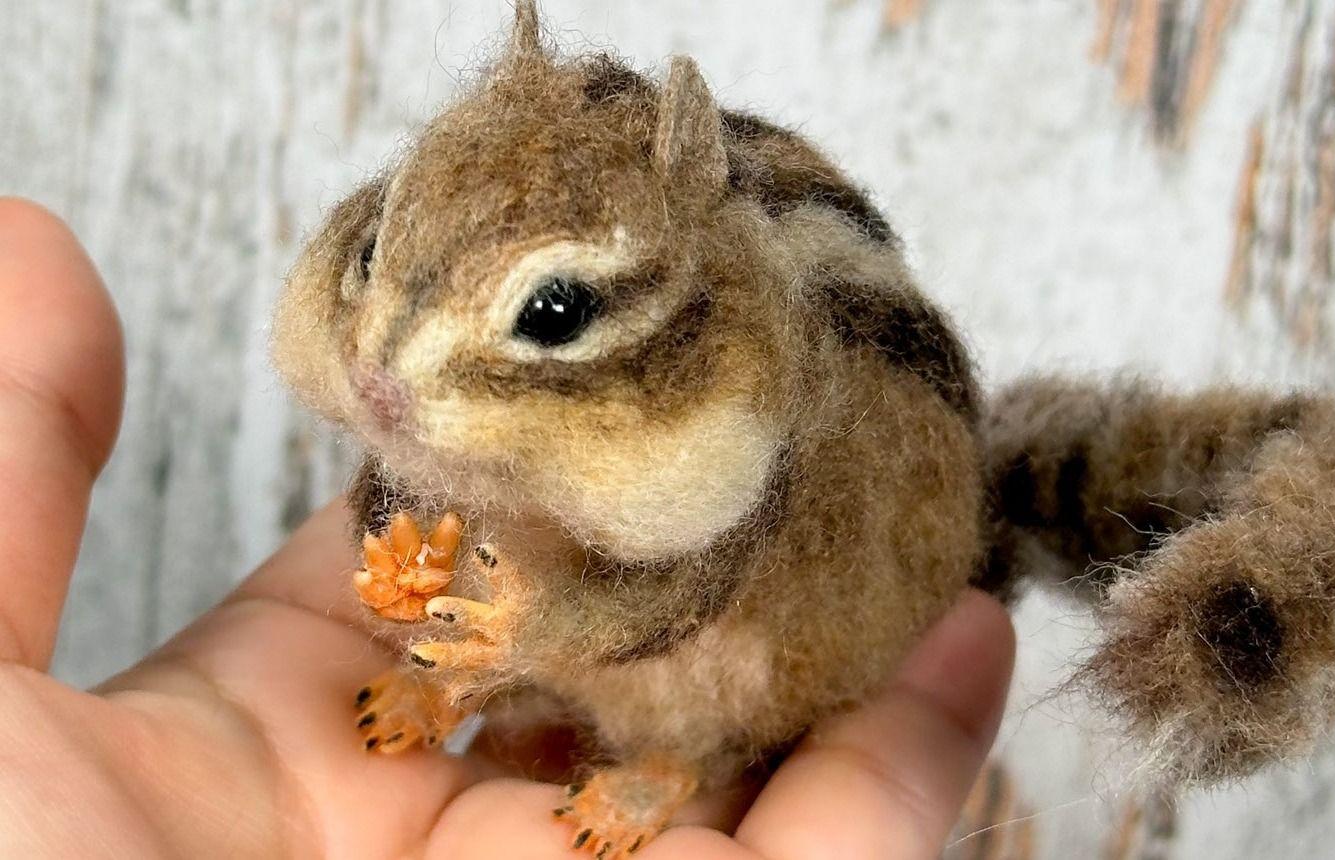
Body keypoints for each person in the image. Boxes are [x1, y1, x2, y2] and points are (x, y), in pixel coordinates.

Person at [0, 198, 1016, 859]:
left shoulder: (702, 453)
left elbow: (653, 601)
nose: (381, 377)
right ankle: (461, 680)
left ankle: (675, 765)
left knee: (678, 658)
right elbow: (412, 510)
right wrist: (413, 573)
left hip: (724, 614)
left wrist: (530, 629)